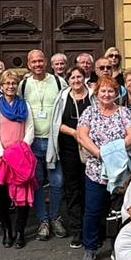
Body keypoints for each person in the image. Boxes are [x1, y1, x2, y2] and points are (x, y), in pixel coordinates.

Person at [76, 76, 131, 260]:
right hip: (96, 170)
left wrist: (112, 152)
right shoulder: (90, 112)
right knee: (93, 210)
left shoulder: (123, 112)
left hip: (120, 172)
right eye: (103, 91)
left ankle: (117, 248)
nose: (106, 94)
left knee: (118, 211)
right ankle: (90, 248)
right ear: (97, 93)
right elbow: (81, 134)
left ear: (116, 93)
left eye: (111, 91)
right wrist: (99, 153)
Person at [19, 50, 67, 240]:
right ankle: (43, 220)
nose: (38, 64)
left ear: (46, 62)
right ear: (29, 64)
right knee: (37, 183)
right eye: (34, 62)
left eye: (40, 61)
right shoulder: (23, 85)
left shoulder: (58, 82)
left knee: (57, 182)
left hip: (53, 141)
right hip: (32, 141)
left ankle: (55, 217)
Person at [0, 69, 36, 248]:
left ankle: (20, 231)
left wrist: (22, 150)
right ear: (1, 86)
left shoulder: (25, 106)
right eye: (7, 83)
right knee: (1, 199)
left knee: (21, 199)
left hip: (21, 159)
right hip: (0, 159)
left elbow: (30, 129)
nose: (10, 86)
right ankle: (7, 231)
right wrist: (3, 154)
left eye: (13, 83)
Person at [49, 66, 93, 248]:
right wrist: (75, 133)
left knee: (90, 189)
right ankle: (77, 230)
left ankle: (92, 227)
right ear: (68, 80)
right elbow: (56, 122)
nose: (76, 80)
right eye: (73, 77)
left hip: (91, 149)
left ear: (84, 78)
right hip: (69, 150)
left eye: (79, 76)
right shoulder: (62, 97)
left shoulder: (93, 96)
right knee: (73, 190)